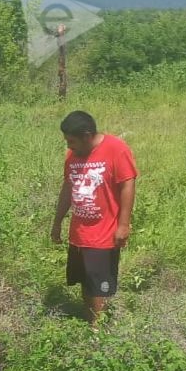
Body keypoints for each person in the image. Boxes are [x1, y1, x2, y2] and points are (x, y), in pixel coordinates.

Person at [50, 110, 138, 324]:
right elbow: (68, 187)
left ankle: (99, 332)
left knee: (100, 285)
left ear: (87, 136)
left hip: (104, 232)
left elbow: (128, 184)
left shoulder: (116, 149)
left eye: (71, 141)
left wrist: (123, 225)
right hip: (79, 233)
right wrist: (58, 221)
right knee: (85, 281)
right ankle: (91, 321)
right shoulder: (73, 155)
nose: (68, 146)